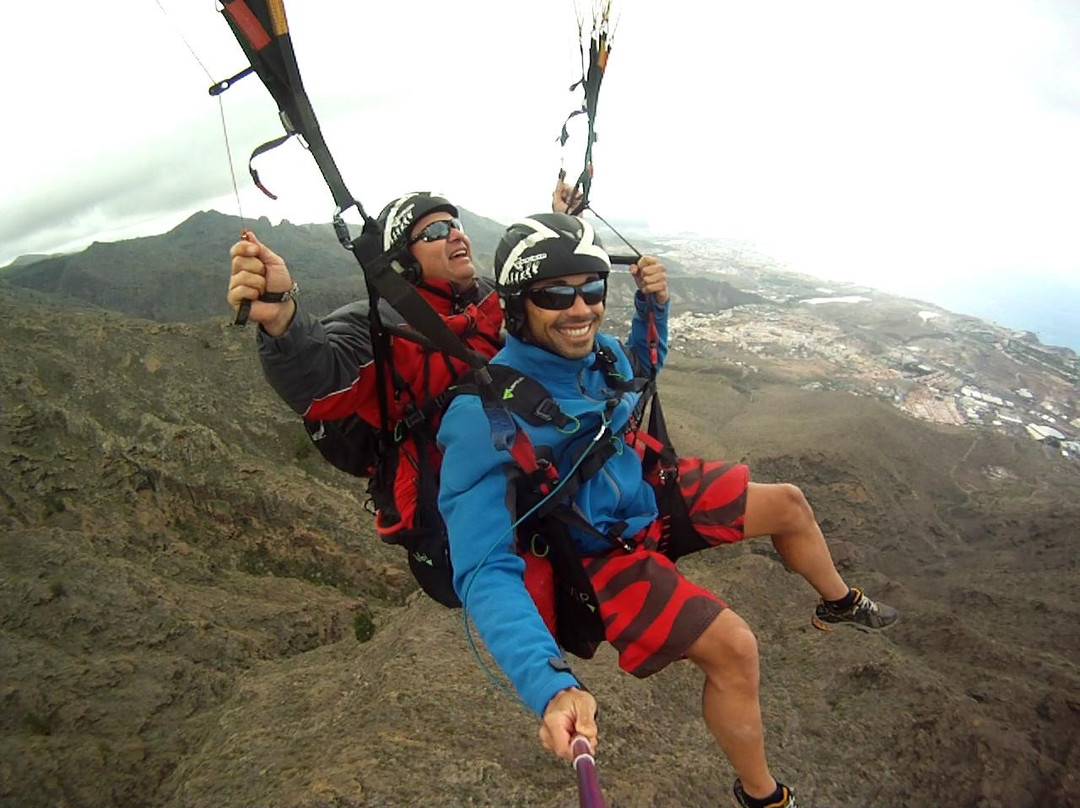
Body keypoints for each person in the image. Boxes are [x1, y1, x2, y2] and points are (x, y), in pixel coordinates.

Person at [436, 213, 900, 808]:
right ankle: (763, 796)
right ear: (516, 305)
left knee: (789, 504)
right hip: (596, 555)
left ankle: (837, 604)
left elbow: (639, 373)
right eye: (555, 294)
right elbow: (483, 568)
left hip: (643, 497)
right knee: (736, 649)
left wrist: (652, 310)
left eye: (592, 290)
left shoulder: (599, 356)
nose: (580, 309)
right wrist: (548, 685)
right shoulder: (484, 419)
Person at [227, 192, 504, 602]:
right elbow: (322, 378)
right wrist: (281, 316)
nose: (455, 235)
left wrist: (562, 222)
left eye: (456, 225)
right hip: (456, 509)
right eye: (435, 231)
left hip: (520, 472)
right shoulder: (379, 326)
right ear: (403, 260)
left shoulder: (488, 297)